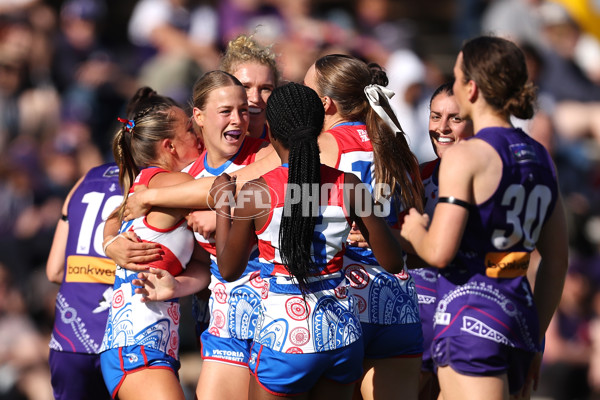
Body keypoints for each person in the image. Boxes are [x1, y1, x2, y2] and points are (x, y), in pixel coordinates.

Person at [209, 81, 406, 399]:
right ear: (319, 127)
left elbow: (229, 269)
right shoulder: (350, 185)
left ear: (271, 130)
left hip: (284, 338)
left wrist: (222, 207)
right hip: (342, 334)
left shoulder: (257, 191)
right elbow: (394, 261)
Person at [400, 36, 569, 399]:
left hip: (470, 319)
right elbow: (555, 259)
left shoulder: (468, 156)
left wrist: (413, 230)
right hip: (519, 314)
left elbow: (440, 252)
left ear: (472, 88)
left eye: (458, 78)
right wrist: (536, 337)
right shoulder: (541, 154)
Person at [303, 54, 424, 400]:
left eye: (306, 88)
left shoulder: (322, 147)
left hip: (339, 295)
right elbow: (416, 223)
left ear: (324, 103)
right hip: (396, 297)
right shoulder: (399, 146)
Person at [99, 86, 202, 400]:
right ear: (170, 145)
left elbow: (201, 264)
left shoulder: (147, 186)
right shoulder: (178, 184)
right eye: (189, 128)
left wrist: (179, 286)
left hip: (145, 346)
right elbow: (225, 190)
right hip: (137, 348)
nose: (198, 133)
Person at [410, 81, 474, 400]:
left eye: (455, 118)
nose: (442, 128)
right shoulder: (417, 177)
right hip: (420, 314)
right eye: (435, 116)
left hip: (471, 316)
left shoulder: (490, 179)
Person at [46, 162, 121, 400]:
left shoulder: (87, 178)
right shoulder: (156, 182)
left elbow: (55, 271)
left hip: (69, 340)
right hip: (125, 341)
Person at [221, 34, 279, 140]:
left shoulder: (287, 146)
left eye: (265, 89)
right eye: (245, 87)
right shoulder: (203, 143)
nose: (255, 98)